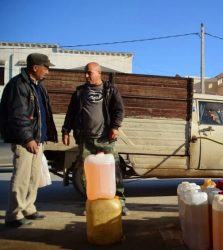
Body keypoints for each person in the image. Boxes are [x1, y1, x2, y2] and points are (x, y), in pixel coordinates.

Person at [61, 62, 129, 215]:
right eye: (85, 72)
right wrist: (65, 131)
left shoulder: (110, 89)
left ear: (99, 73)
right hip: (86, 139)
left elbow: (119, 110)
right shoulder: (79, 93)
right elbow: (70, 113)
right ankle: (91, 202)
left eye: (89, 73)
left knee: (114, 170)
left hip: (106, 139)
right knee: (87, 173)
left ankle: (121, 201)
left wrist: (115, 127)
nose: (86, 75)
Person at [0, 53, 58, 228]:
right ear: (35, 68)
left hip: (36, 139)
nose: (47, 71)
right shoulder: (19, 85)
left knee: (34, 177)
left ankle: (28, 208)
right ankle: (13, 214)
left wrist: (43, 135)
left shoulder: (38, 85)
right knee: (22, 177)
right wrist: (28, 138)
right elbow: (19, 116)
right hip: (24, 140)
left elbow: (41, 113)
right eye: (46, 67)